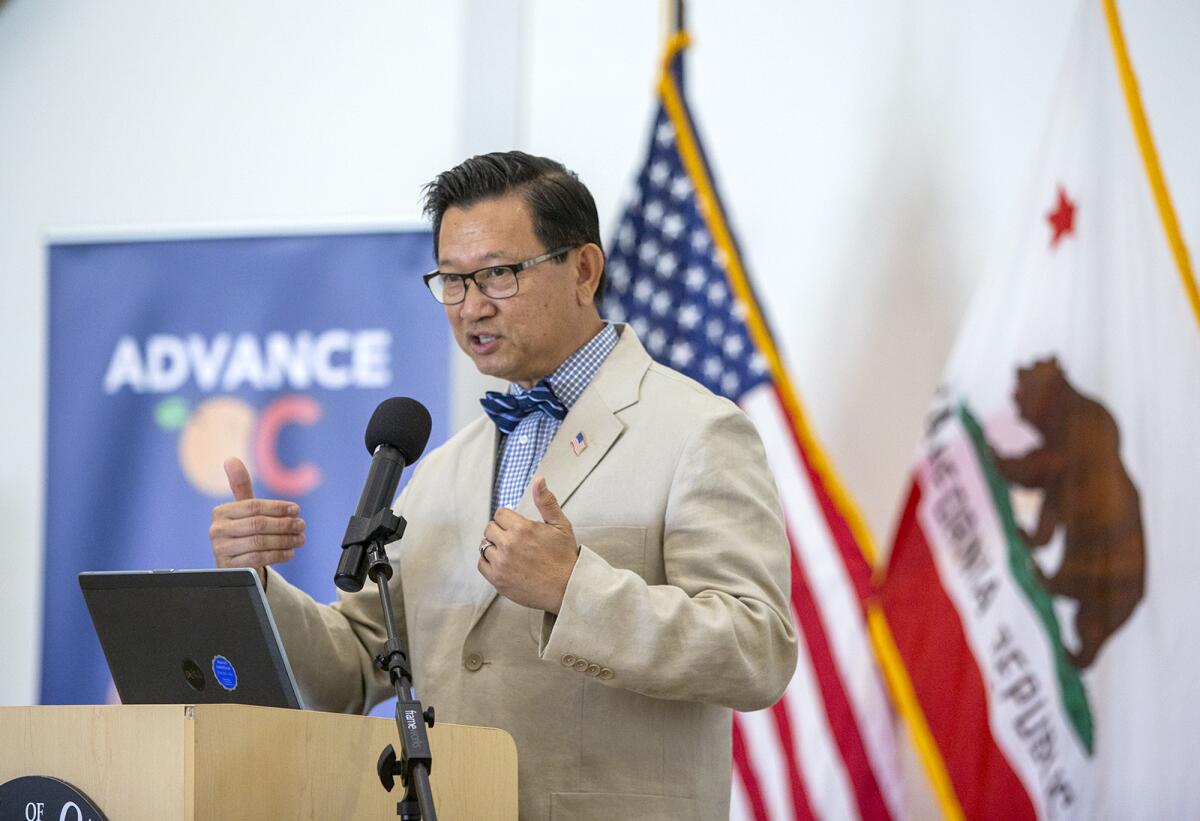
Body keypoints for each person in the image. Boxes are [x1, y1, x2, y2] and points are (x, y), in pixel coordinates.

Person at [209, 151, 797, 821]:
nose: (470, 306)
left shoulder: (699, 432)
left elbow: (758, 649)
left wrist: (574, 589)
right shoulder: (441, 467)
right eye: (452, 281)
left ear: (583, 269)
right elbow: (350, 668)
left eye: (497, 273)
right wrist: (256, 581)